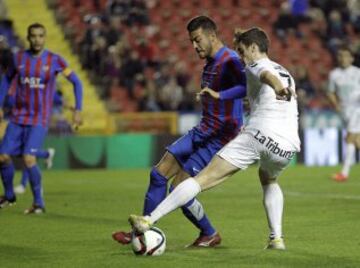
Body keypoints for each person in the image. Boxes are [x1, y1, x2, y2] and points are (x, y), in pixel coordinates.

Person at [128, 27, 300, 250]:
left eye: (242, 51)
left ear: (255, 48)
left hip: (258, 135)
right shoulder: (286, 71)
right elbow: (265, 89)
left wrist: (277, 86)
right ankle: (276, 238)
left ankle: (148, 220)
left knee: (201, 180)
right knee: (268, 179)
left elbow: (267, 76)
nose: (240, 57)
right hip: (287, 146)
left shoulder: (258, 65)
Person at [112, 15, 247, 247]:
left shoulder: (230, 60)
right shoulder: (211, 63)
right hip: (203, 130)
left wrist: (221, 97)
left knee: (180, 190)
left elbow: (245, 87)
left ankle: (209, 234)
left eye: (197, 40)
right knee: (158, 174)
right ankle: (141, 233)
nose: (194, 46)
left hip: (219, 138)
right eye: (191, 41)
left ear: (212, 35)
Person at [0, 23, 83, 214]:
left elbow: (77, 82)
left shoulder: (55, 60)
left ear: (45, 38)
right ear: (28, 38)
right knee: (3, 156)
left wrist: (78, 109)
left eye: (40, 36)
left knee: (29, 158)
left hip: (39, 119)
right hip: (17, 117)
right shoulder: (18, 58)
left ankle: (39, 202)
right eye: (33, 36)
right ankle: (9, 195)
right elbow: (5, 80)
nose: (37, 39)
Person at [327, 45, 360, 182]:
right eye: (340, 55)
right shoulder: (334, 74)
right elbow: (330, 92)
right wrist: (336, 105)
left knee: (349, 138)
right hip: (345, 110)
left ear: (351, 58)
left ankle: (344, 173)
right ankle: (344, 172)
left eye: (346, 56)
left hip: (357, 108)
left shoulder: (358, 72)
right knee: (356, 141)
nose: (343, 58)